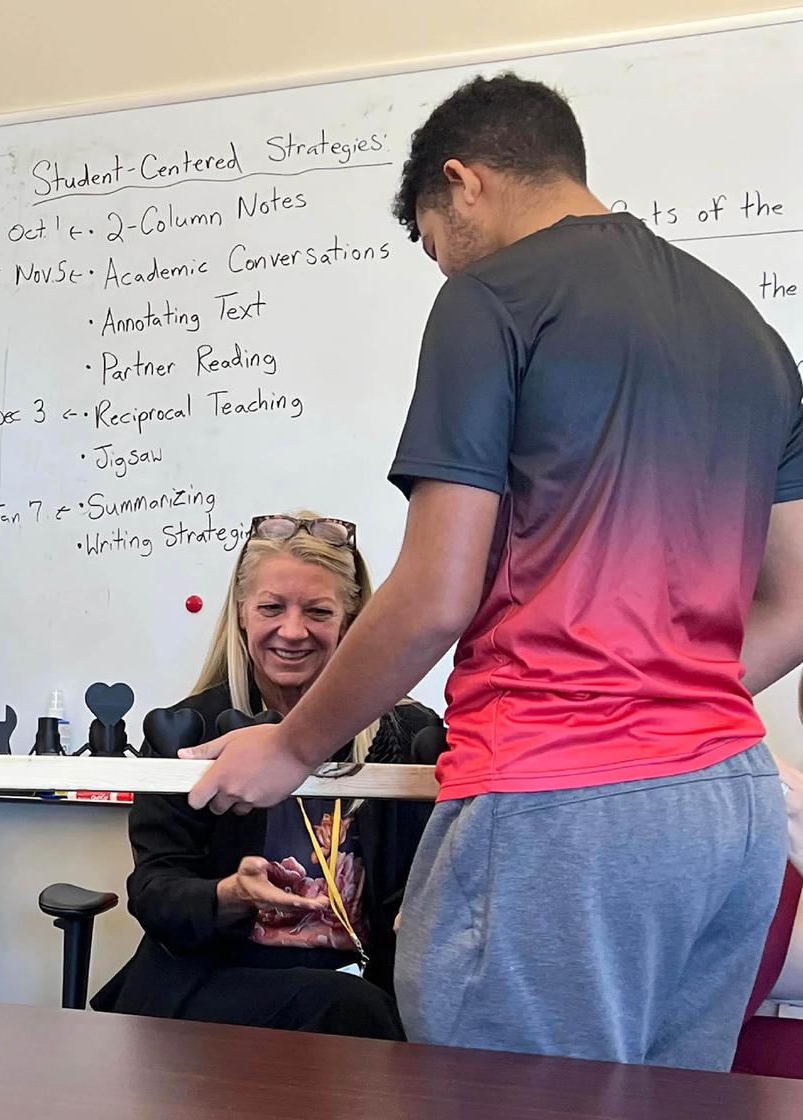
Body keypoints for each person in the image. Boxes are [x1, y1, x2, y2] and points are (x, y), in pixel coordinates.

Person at [184, 74, 803, 1070]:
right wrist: (655, 704)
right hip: (728, 810)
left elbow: (436, 594)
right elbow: (796, 602)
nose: (446, 267)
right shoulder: (750, 332)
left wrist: (292, 746)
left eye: (436, 243)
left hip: (560, 809)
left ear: (462, 181)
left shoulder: (491, 299)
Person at [93, 513, 443, 1038]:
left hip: (358, 983)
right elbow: (154, 892)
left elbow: (417, 890)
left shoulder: (408, 736)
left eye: (318, 611)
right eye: (271, 608)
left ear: (351, 621)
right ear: (241, 613)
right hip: (212, 980)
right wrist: (230, 893)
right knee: (352, 1009)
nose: (293, 631)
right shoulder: (188, 730)